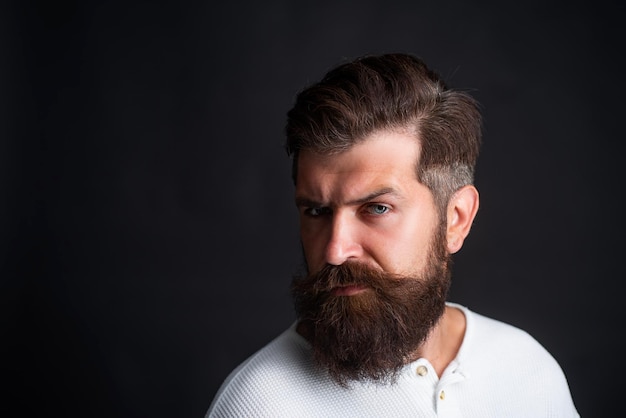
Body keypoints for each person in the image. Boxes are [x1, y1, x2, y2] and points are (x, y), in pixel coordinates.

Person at [206, 52, 579, 417]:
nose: (335, 250)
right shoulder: (257, 405)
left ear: (456, 219)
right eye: (317, 211)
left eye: (377, 208)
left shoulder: (528, 371)